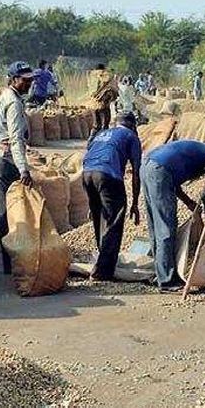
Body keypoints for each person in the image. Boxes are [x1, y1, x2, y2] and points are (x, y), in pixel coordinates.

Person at [141, 140, 205, 292]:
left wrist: (189, 203)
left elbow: (173, 182)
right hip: (159, 170)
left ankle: (160, 273)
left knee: (156, 226)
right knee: (166, 228)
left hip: (147, 167)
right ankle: (167, 281)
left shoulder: (190, 152)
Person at [81, 112, 142, 281]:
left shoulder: (103, 134)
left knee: (99, 219)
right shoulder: (131, 136)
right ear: (133, 125)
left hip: (87, 174)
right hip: (108, 175)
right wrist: (135, 203)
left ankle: (102, 261)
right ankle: (102, 272)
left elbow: (89, 151)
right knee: (114, 222)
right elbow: (136, 172)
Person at [0, 61, 36, 274]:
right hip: (8, 162)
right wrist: (23, 169)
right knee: (14, 213)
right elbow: (16, 139)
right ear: (14, 79)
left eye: (30, 80)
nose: (29, 84)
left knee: (3, 212)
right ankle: (15, 261)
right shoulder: (14, 104)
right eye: (25, 80)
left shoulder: (5, 97)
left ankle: (8, 263)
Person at [87, 64, 118, 135]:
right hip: (103, 104)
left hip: (93, 104)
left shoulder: (92, 76)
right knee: (105, 125)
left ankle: (92, 140)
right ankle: (103, 138)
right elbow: (114, 91)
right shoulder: (106, 76)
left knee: (96, 125)